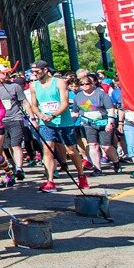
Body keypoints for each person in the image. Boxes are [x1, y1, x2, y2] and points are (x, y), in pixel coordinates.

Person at [26, 61, 89, 193]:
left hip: (64, 122)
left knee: (71, 150)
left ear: (45, 70)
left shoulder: (59, 82)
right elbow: (34, 105)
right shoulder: (33, 86)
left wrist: (53, 115)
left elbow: (65, 103)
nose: (35, 74)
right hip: (46, 123)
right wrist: (40, 115)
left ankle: (81, 175)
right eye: (33, 72)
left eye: (37, 71)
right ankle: (50, 180)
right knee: (48, 150)